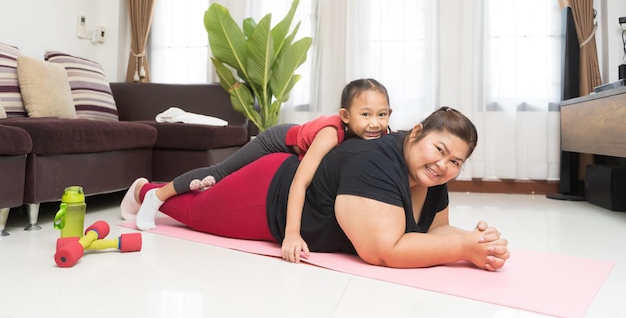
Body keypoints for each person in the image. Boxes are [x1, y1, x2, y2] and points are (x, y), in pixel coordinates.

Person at [122, 106, 510, 270]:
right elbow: (383, 251)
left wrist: (478, 244)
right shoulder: (375, 162)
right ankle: (145, 192)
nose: (444, 165)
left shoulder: (431, 174)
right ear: (418, 133)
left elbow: (435, 229)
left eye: (456, 162)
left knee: (201, 201)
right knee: (195, 209)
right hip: (268, 192)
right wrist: (463, 249)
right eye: (440, 151)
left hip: (284, 188)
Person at [122, 78, 392, 258]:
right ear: (346, 116)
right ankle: (155, 196)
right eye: (366, 115)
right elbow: (301, 181)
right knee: (217, 175)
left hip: (293, 149)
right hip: (277, 142)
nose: (375, 124)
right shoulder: (331, 134)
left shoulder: (380, 134)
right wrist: (292, 233)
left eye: (382, 115)